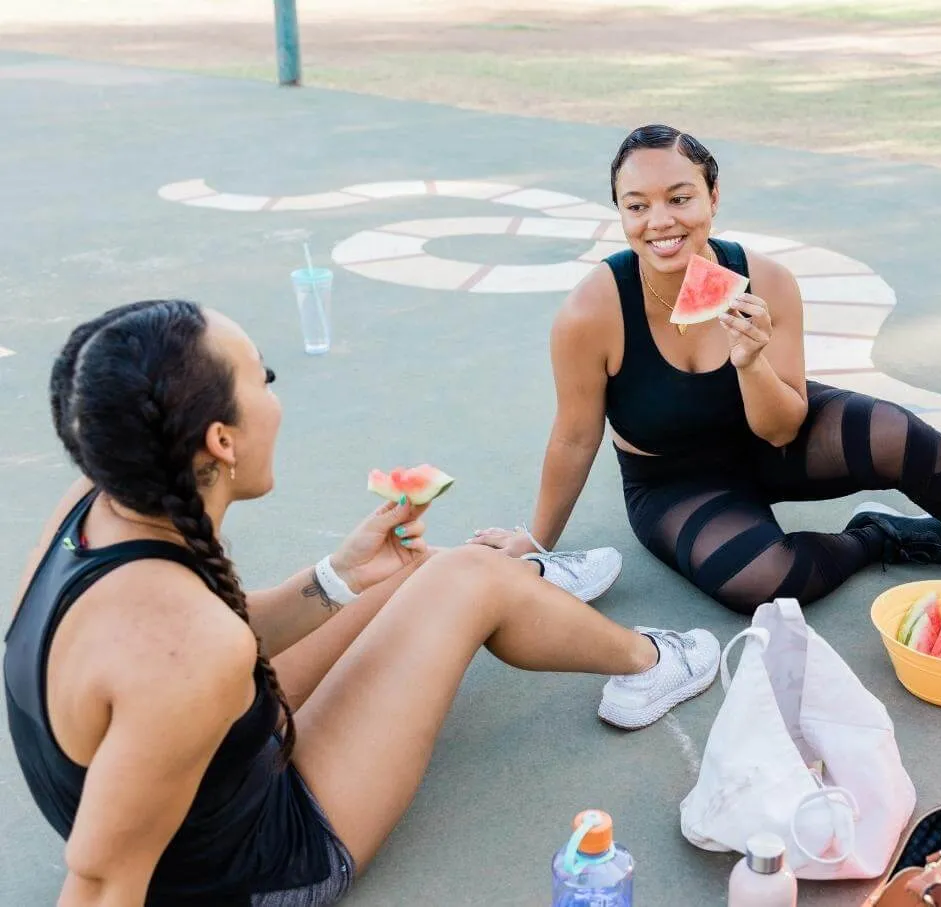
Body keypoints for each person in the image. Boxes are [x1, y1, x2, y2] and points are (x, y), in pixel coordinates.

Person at [3, 299, 723, 907]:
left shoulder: (96, 506)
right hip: (259, 863)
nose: (275, 395)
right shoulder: (191, 653)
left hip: (185, 787)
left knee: (424, 572)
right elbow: (98, 882)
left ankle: (530, 590)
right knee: (469, 577)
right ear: (221, 440)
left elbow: (214, 637)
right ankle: (649, 658)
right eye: (266, 377)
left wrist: (340, 576)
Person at [470, 123, 941, 618]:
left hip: (772, 441)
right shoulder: (591, 311)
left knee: (895, 431)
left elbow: (784, 429)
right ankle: (877, 537)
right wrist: (538, 540)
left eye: (680, 198)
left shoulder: (768, 281)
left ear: (712, 198)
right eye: (638, 206)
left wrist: (750, 360)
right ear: (621, 214)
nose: (660, 221)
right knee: (760, 583)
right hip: (674, 482)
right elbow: (576, 435)